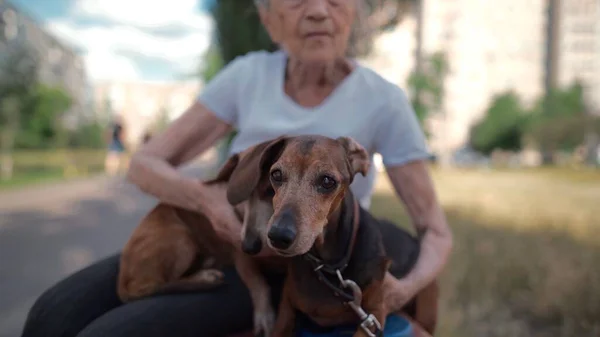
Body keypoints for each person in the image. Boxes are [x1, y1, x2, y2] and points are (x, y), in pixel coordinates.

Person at [21, 0, 453, 336]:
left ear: (354, 12)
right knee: (51, 313)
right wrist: (206, 201)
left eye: (336, 0)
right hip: (223, 246)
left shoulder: (384, 100)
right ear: (269, 20)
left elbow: (436, 230)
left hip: (296, 272)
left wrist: (403, 289)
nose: (319, 10)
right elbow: (143, 164)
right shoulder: (248, 75)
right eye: (298, 1)